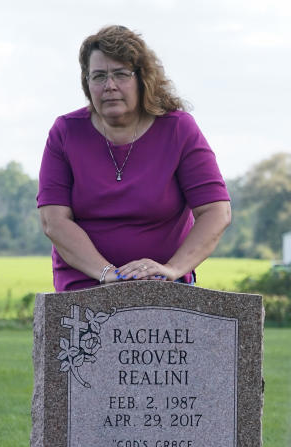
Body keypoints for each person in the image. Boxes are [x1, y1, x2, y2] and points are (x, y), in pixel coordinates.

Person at [37, 25, 231, 291]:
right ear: (87, 82)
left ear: (143, 79)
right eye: (99, 76)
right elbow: (53, 220)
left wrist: (171, 269)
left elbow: (216, 212)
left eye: (120, 74)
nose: (109, 86)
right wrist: (107, 273)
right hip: (85, 282)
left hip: (162, 282)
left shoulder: (178, 129)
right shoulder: (65, 132)